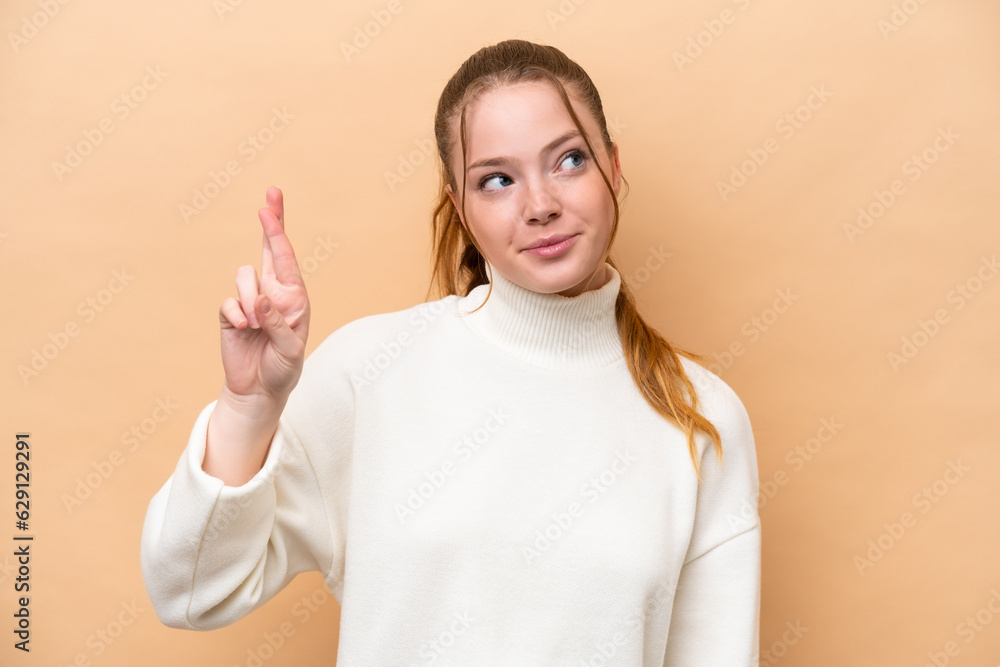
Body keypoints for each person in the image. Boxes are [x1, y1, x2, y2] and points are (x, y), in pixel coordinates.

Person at [140, 39, 761, 665]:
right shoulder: (370, 373)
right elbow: (187, 592)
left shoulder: (700, 415)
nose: (541, 205)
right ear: (460, 207)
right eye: (497, 180)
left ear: (614, 168)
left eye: (569, 160)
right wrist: (248, 407)